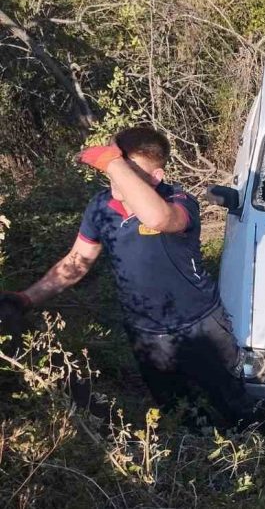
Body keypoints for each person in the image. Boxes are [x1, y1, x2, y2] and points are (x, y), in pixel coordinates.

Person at [1, 127, 246, 421]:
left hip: (200, 326)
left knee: (233, 408)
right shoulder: (101, 207)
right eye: (114, 166)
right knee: (178, 414)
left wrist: (113, 162)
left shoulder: (179, 201)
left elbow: (157, 218)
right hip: (146, 334)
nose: (117, 177)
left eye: (127, 169)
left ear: (156, 177)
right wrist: (26, 298)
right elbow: (77, 261)